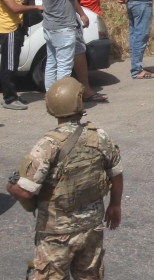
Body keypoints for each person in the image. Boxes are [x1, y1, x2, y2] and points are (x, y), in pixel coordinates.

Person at [6, 77, 123, 279]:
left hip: (56, 233)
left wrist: (10, 187)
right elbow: (116, 174)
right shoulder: (100, 136)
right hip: (91, 227)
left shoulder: (47, 144)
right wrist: (115, 205)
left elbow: (25, 190)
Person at [1, 0, 42, 109]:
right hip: (9, 29)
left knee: (12, 62)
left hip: (14, 29)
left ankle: (11, 95)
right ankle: (9, 98)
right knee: (9, 65)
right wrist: (36, 7)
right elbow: (14, 8)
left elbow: (14, 1)